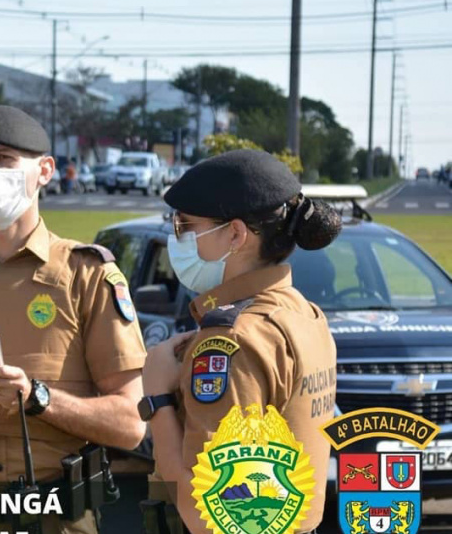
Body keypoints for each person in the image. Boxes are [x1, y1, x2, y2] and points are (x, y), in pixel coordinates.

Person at [0, 105, 147, 534]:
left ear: (45, 171)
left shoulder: (85, 274)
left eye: (4, 159)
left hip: (55, 520)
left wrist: (37, 398)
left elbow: (130, 425)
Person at [140, 149, 341, 534]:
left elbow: (212, 516)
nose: (176, 238)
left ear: (235, 234)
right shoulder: (305, 314)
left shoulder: (233, 340)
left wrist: (158, 398)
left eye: (186, 225)